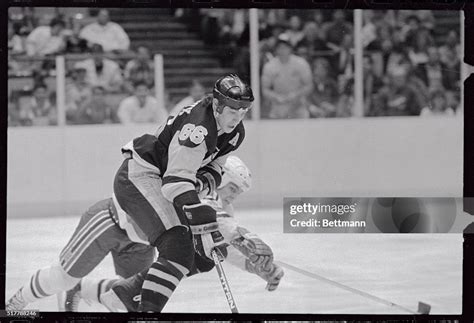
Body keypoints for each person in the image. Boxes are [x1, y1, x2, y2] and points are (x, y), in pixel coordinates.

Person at [107, 73, 255, 312]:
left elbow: (216, 167)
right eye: (232, 111)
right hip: (140, 176)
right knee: (178, 247)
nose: (237, 119)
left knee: (202, 257)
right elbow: (175, 182)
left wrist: (198, 188)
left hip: (160, 179)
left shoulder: (235, 132)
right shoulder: (198, 128)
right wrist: (199, 213)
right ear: (217, 105)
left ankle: (128, 293)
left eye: (243, 112)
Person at [61, 156, 283, 312]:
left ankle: (83, 289)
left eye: (240, 192)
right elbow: (222, 230)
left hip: (148, 237)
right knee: (164, 275)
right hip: (131, 224)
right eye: (234, 188)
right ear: (222, 177)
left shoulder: (224, 206)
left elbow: (221, 246)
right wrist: (248, 242)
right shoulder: (202, 188)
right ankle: (87, 288)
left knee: (138, 290)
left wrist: (252, 265)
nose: (235, 195)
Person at [261, 34, 313, 119]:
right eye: (280, 47)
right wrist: (277, 97)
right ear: (276, 49)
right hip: (278, 108)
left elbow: (309, 85)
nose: (282, 50)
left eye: (285, 47)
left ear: (290, 48)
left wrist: (295, 95)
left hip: (298, 107)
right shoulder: (269, 66)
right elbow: (265, 89)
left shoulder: (301, 63)